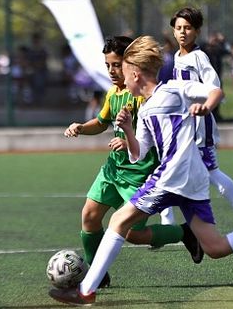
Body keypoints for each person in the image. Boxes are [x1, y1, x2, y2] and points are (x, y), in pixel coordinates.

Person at [48, 36, 233, 306]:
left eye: (125, 74)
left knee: (118, 222)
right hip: (191, 181)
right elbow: (137, 154)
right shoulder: (146, 108)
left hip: (172, 176)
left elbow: (215, 91)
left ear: (136, 74)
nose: (122, 81)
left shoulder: (175, 89)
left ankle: (85, 292)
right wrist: (128, 129)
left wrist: (205, 106)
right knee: (215, 247)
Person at [63, 36, 201, 289]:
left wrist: (128, 143)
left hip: (140, 174)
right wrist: (82, 127)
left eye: (117, 65)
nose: (112, 71)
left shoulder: (142, 96)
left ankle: (185, 232)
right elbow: (102, 122)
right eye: (108, 65)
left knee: (133, 235)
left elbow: (153, 136)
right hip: (113, 170)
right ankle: (97, 273)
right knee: (89, 216)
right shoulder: (113, 93)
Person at [169, 7, 233, 228]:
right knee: (172, 168)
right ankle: (170, 222)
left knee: (210, 173)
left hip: (200, 126)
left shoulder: (199, 57)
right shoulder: (176, 56)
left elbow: (215, 88)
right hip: (183, 126)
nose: (182, 32)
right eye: (179, 28)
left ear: (197, 31)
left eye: (188, 28)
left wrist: (205, 107)